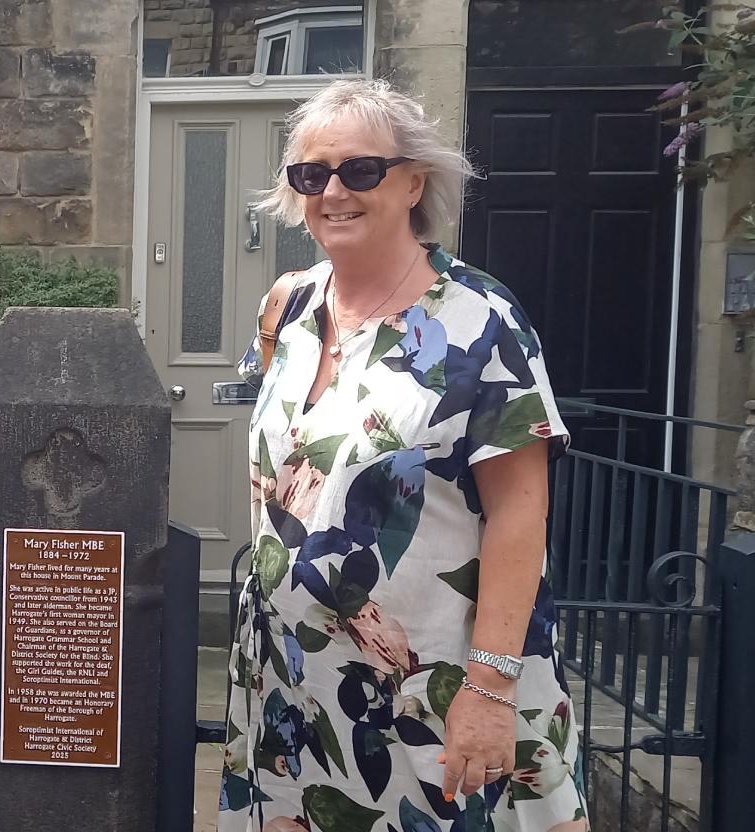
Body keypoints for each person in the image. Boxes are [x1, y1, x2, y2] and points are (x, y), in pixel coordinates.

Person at [218, 79, 587, 831]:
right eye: (311, 174)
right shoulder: (288, 307)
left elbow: (521, 510)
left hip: (434, 692)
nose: (333, 192)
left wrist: (489, 690)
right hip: (293, 682)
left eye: (361, 170)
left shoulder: (482, 323)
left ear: (415, 181)